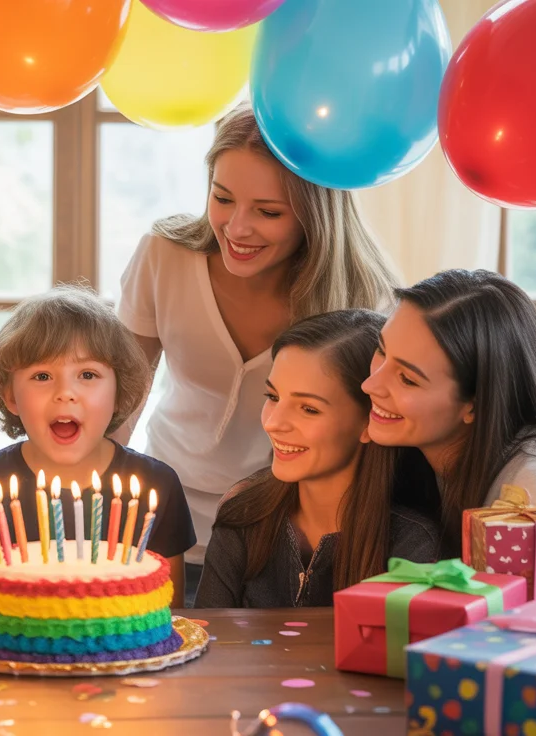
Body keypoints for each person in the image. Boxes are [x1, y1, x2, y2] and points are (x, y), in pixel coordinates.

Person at [113, 103, 403, 598]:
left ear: (316, 214)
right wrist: (98, 505)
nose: (237, 228)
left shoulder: (364, 294)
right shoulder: (164, 254)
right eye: (222, 198)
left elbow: (373, 439)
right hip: (158, 517)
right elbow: (122, 395)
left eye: (267, 212)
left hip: (276, 536)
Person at [362, 269, 536, 607]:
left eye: (407, 379)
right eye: (381, 351)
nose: (371, 385)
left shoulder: (535, 488)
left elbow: (519, 635)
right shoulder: (435, 457)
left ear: (476, 403)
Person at [0, 285, 196, 609]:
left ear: (119, 392)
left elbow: (167, 613)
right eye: (42, 376)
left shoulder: (156, 486)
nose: (65, 393)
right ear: (10, 395)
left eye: (87, 374)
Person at [196, 310, 440, 608]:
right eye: (273, 397)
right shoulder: (243, 517)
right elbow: (208, 642)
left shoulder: (414, 545)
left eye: (308, 409)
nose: (274, 423)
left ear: (370, 420)